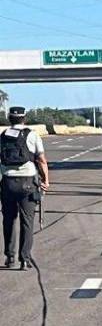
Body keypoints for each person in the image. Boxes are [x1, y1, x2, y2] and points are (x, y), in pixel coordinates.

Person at [1, 107, 49, 270]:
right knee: (27, 221)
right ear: (24, 118)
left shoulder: (3, 136)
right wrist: (46, 180)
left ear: (9, 118)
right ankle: (25, 258)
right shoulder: (32, 135)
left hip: (7, 182)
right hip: (28, 182)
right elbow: (41, 160)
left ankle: (10, 256)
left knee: (8, 220)